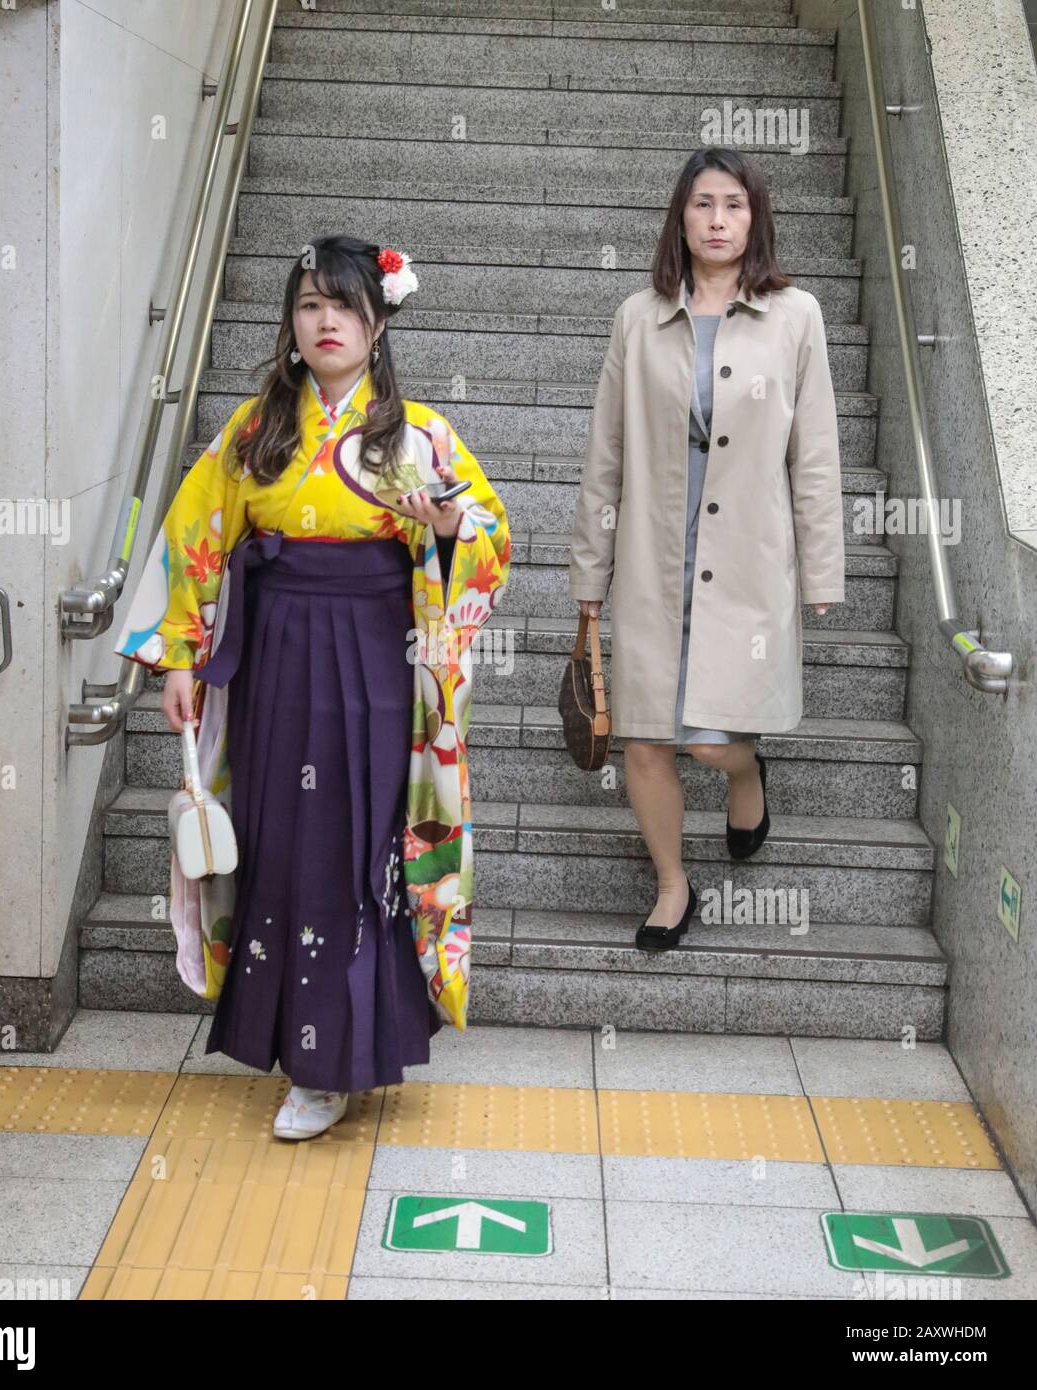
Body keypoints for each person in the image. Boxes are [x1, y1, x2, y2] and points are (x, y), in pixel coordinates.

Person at [114, 236, 512, 1137]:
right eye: (308, 305)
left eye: (343, 305)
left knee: (353, 843)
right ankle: (299, 1049)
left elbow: (490, 539)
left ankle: (331, 1063)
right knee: (280, 837)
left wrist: (445, 524)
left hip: (379, 655)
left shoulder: (418, 436)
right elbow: (194, 540)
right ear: (291, 327)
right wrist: (180, 656)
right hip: (272, 658)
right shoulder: (255, 431)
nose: (325, 320)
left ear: (377, 325)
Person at [568, 147, 845, 952]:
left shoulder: (796, 315)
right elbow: (604, 455)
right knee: (647, 737)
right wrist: (591, 571)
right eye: (701, 205)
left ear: (753, 218)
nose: (716, 219)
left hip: (748, 560)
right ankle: (669, 885)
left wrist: (820, 567)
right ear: (678, 219)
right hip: (653, 560)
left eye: (732, 204)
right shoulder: (637, 316)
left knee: (707, 738)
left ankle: (747, 772)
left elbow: (815, 453)